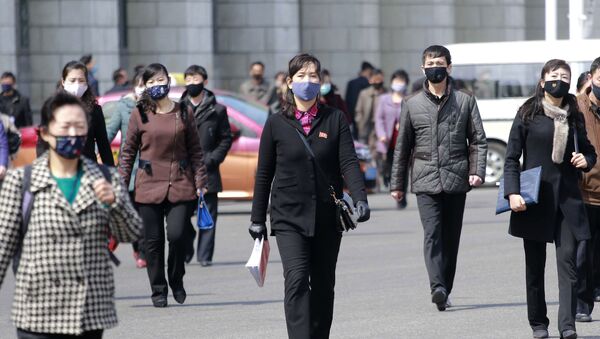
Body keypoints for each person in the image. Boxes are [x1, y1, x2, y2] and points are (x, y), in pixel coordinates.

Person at [0, 92, 141, 339]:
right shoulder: (21, 181)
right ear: (44, 132)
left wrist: (115, 203)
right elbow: (3, 247)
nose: (73, 134)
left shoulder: (106, 178)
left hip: (88, 312)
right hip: (37, 311)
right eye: (65, 127)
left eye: (80, 127)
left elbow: (132, 232)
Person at [249, 53, 370, 339]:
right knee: (297, 280)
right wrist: (257, 219)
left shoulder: (335, 119)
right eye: (301, 76)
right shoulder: (276, 123)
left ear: (321, 81)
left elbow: (349, 162)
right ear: (289, 83)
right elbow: (264, 173)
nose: (308, 82)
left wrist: (361, 197)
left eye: (313, 76)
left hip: (328, 216)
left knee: (324, 285)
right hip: (288, 216)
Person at [390, 45, 487, 312]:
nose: (436, 67)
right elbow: (402, 147)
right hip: (425, 179)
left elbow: (478, 139)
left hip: (456, 178)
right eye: (431, 63)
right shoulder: (411, 103)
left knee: (451, 238)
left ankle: (446, 288)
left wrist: (476, 171)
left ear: (449, 67)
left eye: (440, 62)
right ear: (423, 68)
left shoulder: (465, 100)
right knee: (432, 234)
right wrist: (397, 185)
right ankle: (437, 287)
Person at [504, 59, 596, 339]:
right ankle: (538, 323)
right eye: (554, 75)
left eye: (565, 76)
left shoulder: (575, 113)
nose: (560, 80)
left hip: (567, 200)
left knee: (568, 263)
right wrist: (512, 192)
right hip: (533, 198)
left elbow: (590, 152)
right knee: (535, 266)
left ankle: (567, 325)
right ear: (543, 81)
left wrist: (585, 159)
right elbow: (511, 158)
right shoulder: (527, 113)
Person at [118, 63, 208, 308]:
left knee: (178, 235)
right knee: (153, 241)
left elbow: (196, 151)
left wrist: (201, 181)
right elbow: (127, 153)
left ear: (168, 81)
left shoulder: (184, 112)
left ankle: (176, 279)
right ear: (145, 86)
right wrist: (120, 186)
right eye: (151, 82)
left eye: (161, 80)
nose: (157, 86)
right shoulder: (140, 113)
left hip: (180, 183)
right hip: (148, 184)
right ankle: (158, 289)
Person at [180, 64, 233, 266]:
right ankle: (186, 247)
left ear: (205, 81)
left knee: (208, 215)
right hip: (183, 171)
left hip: (208, 168)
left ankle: (205, 256)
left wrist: (213, 158)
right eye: (189, 80)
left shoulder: (217, 110)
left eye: (196, 79)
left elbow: (226, 138)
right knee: (182, 217)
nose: (192, 83)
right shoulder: (178, 108)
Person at [37, 61, 114, 167]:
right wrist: (42, 168)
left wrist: (110, 172)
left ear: (87, 82)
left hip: (87, 169)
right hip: (59, 167)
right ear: (63, 82)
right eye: (72, 80)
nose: (77, 84)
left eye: (81, 80)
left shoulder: (95, 110)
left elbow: (103, 144)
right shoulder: (52, 108)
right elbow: (42, 144)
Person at [106, 70, 147, 269]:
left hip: (151, 169)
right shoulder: (123, 107)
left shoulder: (155, 107)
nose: (144, 88)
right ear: (134, 86)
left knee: (149, 212)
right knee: (134, 212)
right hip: (129, 169)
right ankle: (139, 249)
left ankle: (148, 249)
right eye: (141, 84)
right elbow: (110, 132)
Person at [576, 57, 600, 323]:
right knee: (582, 252)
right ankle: (582, 304)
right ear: (591, 78)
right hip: (584, 190)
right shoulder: (577, 108)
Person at [375, 69, 409, 203]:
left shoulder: (409, 99)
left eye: (401, 82)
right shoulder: (384, 99)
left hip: (403, 140)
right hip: (388, 141)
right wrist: (381, 134)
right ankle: (391, 183)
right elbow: (379, 119)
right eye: (396, 81)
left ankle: (402, 195)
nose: (398, 84)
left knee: (403, 169)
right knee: (389, 167)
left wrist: (404, 125)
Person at [355, 68, 387, 147]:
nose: (377, 82)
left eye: (379, 79)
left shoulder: (386, 93)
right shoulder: (364, 93)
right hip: (366, 127)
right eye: (375, 79)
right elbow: (358, 111)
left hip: (380, 128)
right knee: (364, 153)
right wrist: (360, 124)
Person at [345, 61, 374, 136]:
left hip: (351, 116)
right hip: (365, 118)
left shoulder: (351, 83)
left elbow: (347, 101)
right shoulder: (368, 84)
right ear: (368, 71)